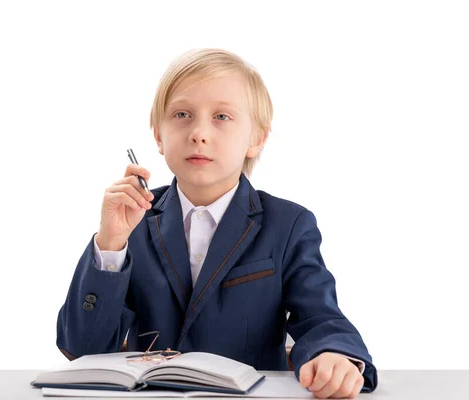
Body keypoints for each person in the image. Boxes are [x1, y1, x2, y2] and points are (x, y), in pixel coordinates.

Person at [56, 48, 377, 398]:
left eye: (222, 117)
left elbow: (320, 316)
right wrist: (111, 243)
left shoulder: (288, 225)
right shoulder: (135, 221)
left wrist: (333, 355)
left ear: (256, 139)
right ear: (159, 137)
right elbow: (81, 347)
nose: (199, 133)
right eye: (182, 114)